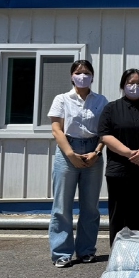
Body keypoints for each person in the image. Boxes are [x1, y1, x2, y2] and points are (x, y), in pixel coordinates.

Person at [47, 60, 108, 267]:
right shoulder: (62, 99)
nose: (83, 76)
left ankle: (86, 250)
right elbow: (56, 129)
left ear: (93, 76)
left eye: (87, 72)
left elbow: (106, 130)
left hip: (93, 150)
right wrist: (70, 154)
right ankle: (61, 253)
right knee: (62, 205)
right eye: (78, 72)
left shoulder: (101, 100)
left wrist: (97, 152)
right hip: (67, 149)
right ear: (72, 76)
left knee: (90, 206)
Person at [98, 69, 139, 244]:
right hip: (120, 168)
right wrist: (129, 153)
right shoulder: (111, 108)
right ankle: (119, 251)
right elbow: (105, 135)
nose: (135, 86)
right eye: (130, 83)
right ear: (123, 85)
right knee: (119, 213)